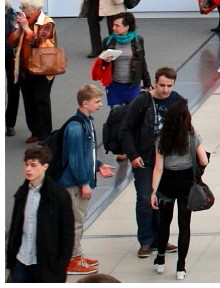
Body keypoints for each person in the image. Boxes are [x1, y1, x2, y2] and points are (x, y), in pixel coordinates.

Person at [120, 66, 186, 259]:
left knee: (163, 200)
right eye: (161, 85)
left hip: (168, 159)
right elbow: (125, 130)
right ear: (155, 83)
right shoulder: (142, 101)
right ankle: (146, 241)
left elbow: (185, 128)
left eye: (169, 86)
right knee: (144, 199)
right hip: (145, 158)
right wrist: (133, 155)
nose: (165, 90)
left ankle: (160, 238)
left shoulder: (178, 101)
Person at [54, 84, 114, 276]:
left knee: (77, 219)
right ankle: (71, 259)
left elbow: (86, 153)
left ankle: (76, 254)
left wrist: (97, 166)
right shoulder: (76, 127)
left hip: (77, 181)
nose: (100, 104)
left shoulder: (85, 122)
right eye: (97, 102)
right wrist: (83, 182)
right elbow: (75, 158)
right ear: (85, 103)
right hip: (72, 184)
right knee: (74, 221)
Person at [147, 100, 206, 280]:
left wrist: (153, 191)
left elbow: (158, 168)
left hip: (167, 183)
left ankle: (161, 259)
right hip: (186, 183)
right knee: (184, 225)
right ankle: (181, 267)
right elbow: (203, 161)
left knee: (165, 222)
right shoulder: (192, 136)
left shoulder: (161, 139)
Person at [5, 144, 75, 283]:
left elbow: (67, 234)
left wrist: (61, 267)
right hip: (21, 261)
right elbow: (15, 228)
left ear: (45, 166)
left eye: (33, 165)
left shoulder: (58, 196)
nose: (28, 169)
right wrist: (11, 258)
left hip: (46, 264)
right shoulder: (22, 193)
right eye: (26, 164)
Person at [98, 11, 150, 108]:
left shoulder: (138, 40)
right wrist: (105, 61)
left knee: (132, 117)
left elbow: (142, 63)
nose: (113, 28)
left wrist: (147, 83)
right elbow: (101, 65)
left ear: (127, 27)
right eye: (113, 25)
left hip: (133, 86)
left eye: (117, 26)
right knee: (116, 116)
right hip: (114, 86)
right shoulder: (108, 41)